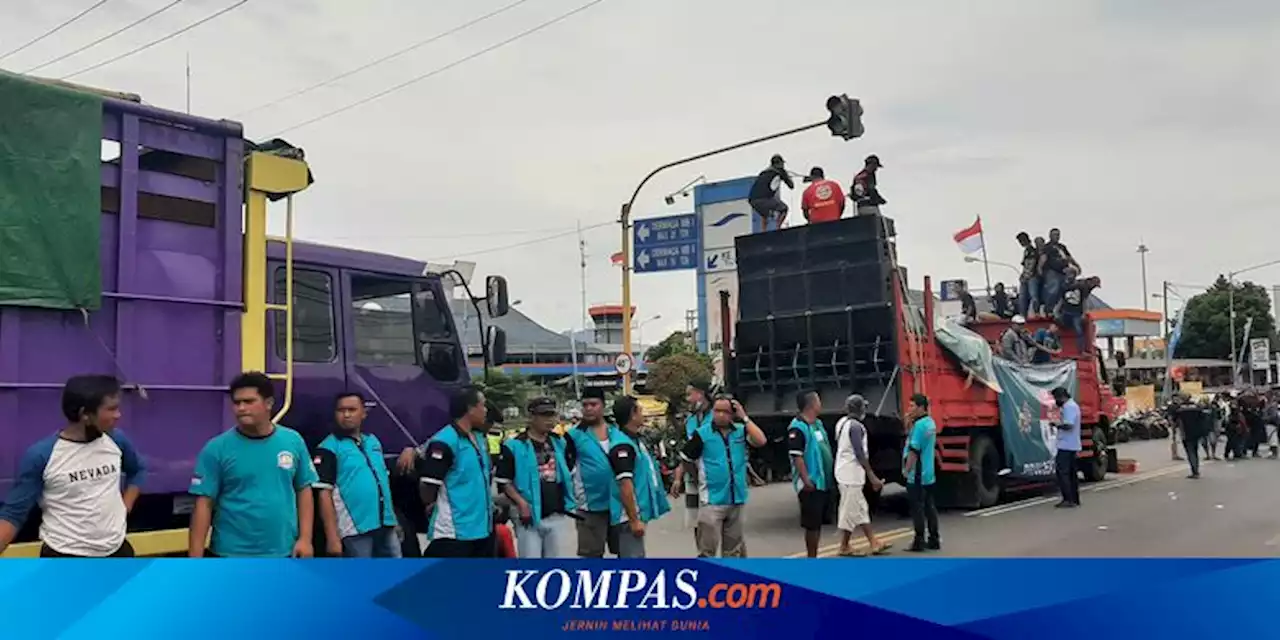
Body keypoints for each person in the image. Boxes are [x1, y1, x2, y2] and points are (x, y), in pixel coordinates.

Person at [0, 375, 146, 558]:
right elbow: (13, 514)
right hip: (65, 556)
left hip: (117, 552)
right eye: (111, 409)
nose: (118, 415)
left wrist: (126, 506)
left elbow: (138, 470)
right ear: (85, 414)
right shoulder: (41, 455)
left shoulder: (116, 440)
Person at [189, 372, 318, 558]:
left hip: (283, 552)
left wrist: (305, 539)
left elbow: (303, 490)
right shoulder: (216, 448)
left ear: (269, 403)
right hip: (231, 555)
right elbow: (203, 504)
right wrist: (195, 559)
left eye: (249, 401)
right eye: (237, 402)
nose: (241, 408)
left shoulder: (293, 441)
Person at [314, 391, 400, 558]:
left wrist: (393, 519)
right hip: (355, 529)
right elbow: (324, 494)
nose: (346, 415)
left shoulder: (373, 441)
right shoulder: (328, 448)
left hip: (385, 524)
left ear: (363, 413)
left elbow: (383, 483)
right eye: (341, 410)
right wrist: (332, 537)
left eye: (352, 410)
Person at [680, 395, 767, 557]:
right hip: (712, 500)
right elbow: (686, 458)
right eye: (717, 411)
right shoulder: (702, 434)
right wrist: (696, 476)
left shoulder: (740, 431)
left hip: (736, 499)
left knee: (733, 551)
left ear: (733, 414)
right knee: (707, 551)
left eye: (725, 411)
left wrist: (745, 418)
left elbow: (761, 440)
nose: (720, 415)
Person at [495, 396, 577, 558]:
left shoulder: (560, 443)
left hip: (556, 514)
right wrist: (521, 503)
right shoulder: (514, 446)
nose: (549, 420)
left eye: (552, 415)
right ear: (531, 417)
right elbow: (504, 482)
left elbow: (568, 472)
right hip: (529, 517)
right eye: (544, 415)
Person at [418, 386, 496, 557]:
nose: (485, 410)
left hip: (482, 529)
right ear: (470, 408)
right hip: (454, 533)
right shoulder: (445, 441)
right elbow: (428, 485)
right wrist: (431, 505)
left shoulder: (479, 438)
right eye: (482, 405)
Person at [608, 395, 672, 558]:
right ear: (633, 414)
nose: (643, 414)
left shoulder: (635, 440)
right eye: (640, 410)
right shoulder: (623, 445)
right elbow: (625, 484)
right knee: (633, 563)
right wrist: (634, 519)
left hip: (637, 513)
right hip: (628, 516)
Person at [833, 394, 890, 557]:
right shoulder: (857, 427)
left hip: (845, 472)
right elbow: (859, 453)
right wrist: (872, 476)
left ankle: (864, 543)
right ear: (860, 409)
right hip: (850, 474)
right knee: (852, 510)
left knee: (857, 509)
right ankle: (852, 545)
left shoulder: (841, 423)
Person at [566, 387, 618, 558]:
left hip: (619, 504)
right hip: (589, 507)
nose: (588, 408)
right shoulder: (573, 436)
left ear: (603, 406)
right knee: (591, 557)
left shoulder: (616, 432)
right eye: (585, 405)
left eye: (593, 404)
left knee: (625, 553)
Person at [788, 390, 835, 558]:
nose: (820, 404)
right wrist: (806, 479)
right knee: (812, 525)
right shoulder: (797, 427)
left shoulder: (817, 424)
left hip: (823, 482)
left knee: (819, 523)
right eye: (818, 400)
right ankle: (812, 558)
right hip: (810, 484)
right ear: (812, 404)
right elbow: (797, 456)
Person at [671, 381, 713, 535]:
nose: (688, 399)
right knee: (696, 523)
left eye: (690, 394)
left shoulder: (717, 416)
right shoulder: (690, 421)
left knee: (715, 521)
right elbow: (686, 453)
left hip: (712, 477)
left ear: (701, 394)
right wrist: (678, 478)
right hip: (692, 478)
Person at [903, 394, 940, 551]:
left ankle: (919, 540)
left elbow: (913, 451)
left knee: (917, 508)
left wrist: (907, 470)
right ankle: (934, 538)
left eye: (912, 406)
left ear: (920, 407)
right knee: (929, 507)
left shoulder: (919, 426)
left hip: (917, 473)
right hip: (929, 473)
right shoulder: (930, 423)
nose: (909, 409)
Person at [1055, 267, 1101, 354]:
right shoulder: (1083, 286)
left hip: (1071, 312)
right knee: (1076, 330)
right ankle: (1080, 350)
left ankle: (1079, 350)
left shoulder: (1074, 285)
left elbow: (1082, 300)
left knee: (1076, 330)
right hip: (1071, 311)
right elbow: (1083, 300)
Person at [1051, 387, 1081, 508]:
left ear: (1061, 396)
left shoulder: (1069, 407)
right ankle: (1074, 498)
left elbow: (1069, 425)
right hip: (1072, 444)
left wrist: (1056, 424)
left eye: (1056, 398)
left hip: (1066, 445)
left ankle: (1068, 499)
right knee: (1072, 473)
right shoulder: (1073, 406)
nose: (1055, 401)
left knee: (1063, 473)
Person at [748, 154, 794, 230]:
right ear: (780, 164)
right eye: (782, 164)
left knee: (765, 214)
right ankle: (777, 228)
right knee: (784, 208)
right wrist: (786, 176)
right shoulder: (780, 172)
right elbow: (791, 186)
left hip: (752, 200)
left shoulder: (763, 172)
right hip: (764, 199)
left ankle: (763, 231)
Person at [1171, 394, 1209, 479]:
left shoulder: (1179, 410)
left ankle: (1195, 471)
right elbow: (1203, 419)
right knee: (1195, 451)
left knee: (1190, 452)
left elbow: (1175, 422)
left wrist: (1174, 432)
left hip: (1186, 433)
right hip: (1197, 432)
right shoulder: (1197, 408)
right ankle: (1196, 469)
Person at [1015, 232, 1041, 317]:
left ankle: (1036, 313)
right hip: (1026, 276)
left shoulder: (1032, 251)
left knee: (1033, 296)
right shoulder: (1026, 251)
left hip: (1032, 276)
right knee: (1022, 297)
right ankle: (1023, 314)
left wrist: (1026, 275)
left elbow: (1031, 264)